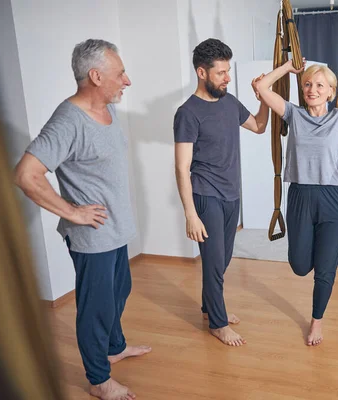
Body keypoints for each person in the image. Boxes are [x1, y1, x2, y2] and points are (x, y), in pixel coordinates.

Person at [14, 39, 151, 400]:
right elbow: (27, 174)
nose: (127, 80)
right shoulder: (68, 121)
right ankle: (98, 379)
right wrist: (72, 212)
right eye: (120, 73)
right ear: (96, 76)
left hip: (115, 229)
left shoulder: (108, 109)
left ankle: (114, 346)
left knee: (120, 291)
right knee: (96, 307)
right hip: (92, 236)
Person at [255, 57, 338, 346]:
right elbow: (263, 87)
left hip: (331, 199)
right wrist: (288, 68)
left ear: (331, 92)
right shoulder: (293, 114)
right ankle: (321, 254)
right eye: (308, 84)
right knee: (300, 265)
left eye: (319, 85)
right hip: (300, 196)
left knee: (325, 271)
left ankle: (316, 322)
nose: (312, 89)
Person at [173, 38, 269, 347]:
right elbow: (181, 167)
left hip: (232, 194)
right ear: (202, 72)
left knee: (223, 258)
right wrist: (190, 213)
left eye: (228, 71)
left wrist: (263, 98)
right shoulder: (188, 113)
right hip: (206, 194)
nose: (227, 78)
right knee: (214, 262)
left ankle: (207, 306)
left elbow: (258, 126)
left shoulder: (229, 102)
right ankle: (217, 322)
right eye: (221, 73)